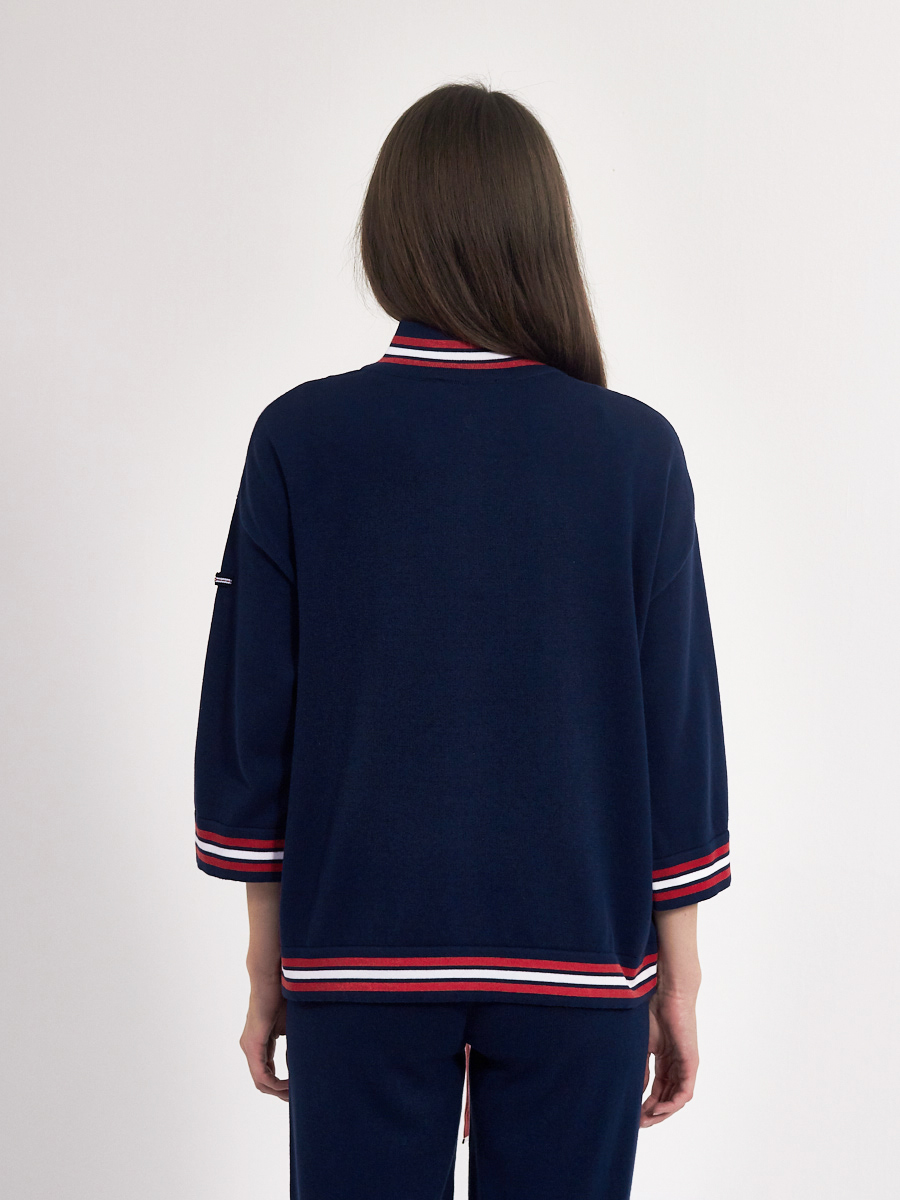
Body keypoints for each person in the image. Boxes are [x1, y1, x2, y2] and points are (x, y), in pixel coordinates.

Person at [193, 81, 730, 1200]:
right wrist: (678, 976)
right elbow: (677, 736)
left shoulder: (301, 439)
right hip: (579, 960)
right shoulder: (634, 455)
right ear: (544, 236)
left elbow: (252, 725)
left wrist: (266, 961)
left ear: (390, 231)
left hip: (357, 957)